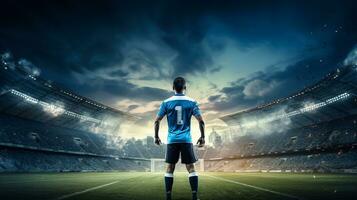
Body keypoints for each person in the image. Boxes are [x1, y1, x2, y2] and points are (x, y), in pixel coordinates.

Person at [154, 77, 205, 200]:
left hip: (172, 140)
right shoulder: (192, 102)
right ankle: (194, 196)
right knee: (191, 168)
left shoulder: (166, 102)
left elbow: (157, 121)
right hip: (186, 139)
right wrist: (202, 137)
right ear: (185, 88)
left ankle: (168, 197)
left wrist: (156, 136)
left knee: (170, 168)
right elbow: (201, 121)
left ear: (173, 88)